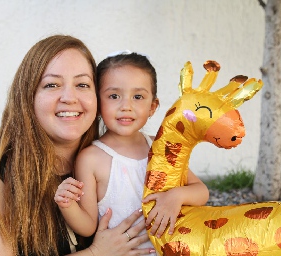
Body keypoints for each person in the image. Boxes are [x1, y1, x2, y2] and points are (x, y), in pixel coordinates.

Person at [0, 35, 154, 256]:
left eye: (82, 84)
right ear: (28, 96)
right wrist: (97, 253)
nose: (69, 97)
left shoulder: (108, 156)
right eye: (52, 84)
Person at [54, 52, 210, 254]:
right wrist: (67, 205)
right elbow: (88, 226)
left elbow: (201, 191)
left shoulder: (160, 146)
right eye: (114, 96)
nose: (126, 106)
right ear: (98, 104)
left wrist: (177, 195)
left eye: (138, 97)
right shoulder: (91, 158)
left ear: (153, 106)